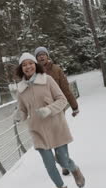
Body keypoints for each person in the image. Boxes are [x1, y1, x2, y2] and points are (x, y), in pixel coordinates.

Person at [14, 52, 85, 188]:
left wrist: (48, 110)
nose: (28, 67)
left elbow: (62, 100)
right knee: (49, 163)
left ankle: (75, 169)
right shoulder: (20, 88)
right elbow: (22, 109)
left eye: (30, 63)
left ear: (35, 64)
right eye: (24, 65)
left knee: (62, 160)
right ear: (21, 68)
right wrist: (19, 115)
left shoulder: (47, 79)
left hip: (55, 125)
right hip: (37, 130)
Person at [34, 47, 79, 176]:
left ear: (47, 56)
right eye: (39, 56)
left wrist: (74, 106)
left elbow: (66, 89)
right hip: (42, 110)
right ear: (36, 59)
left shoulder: (56, 69)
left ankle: (64, 162)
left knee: (59, 134)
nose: (41, 57)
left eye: (43, 55)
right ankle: (62, 160)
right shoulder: (34, 73)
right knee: (50, 135)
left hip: (58, 107)